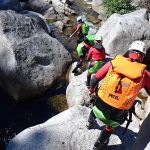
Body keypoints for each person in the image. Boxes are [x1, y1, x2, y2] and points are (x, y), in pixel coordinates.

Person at [86, 40, 150, 150]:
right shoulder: (145, 74)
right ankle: (98, 144)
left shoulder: (113, 62)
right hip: (117, 114)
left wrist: (91, 90)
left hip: (100, 106)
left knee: (95, 107)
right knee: (110, 127)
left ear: (129, 50)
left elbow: (94, 79)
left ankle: (90, 122)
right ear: (142, 56)